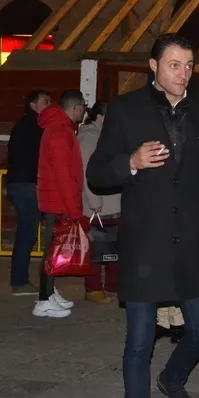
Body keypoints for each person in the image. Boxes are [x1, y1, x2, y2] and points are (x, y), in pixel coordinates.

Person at [87, 33, 199, 398]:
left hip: (190, 242)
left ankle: (173, 378)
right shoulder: (126, 110)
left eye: (189, 65)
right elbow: (97, 173)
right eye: (174, 65)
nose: (183, 73)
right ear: (153, 66)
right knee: (139, 344)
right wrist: (130, 163)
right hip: (145, 246)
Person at [34, 89, 87, 318]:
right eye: (83, 107)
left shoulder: (59, 129)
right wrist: (74, 210)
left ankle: (48, 293)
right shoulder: (60, 132)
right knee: (51, 252)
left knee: (52, 251)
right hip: (57, 202)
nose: (84, 111)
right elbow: (64, 175)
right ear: (75, 108)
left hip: (55, 200)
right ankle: (44, 300)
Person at [6, 89, 51, 295]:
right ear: (33, 105)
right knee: (27, 234)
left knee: (26, 233)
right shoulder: (35, 126)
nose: (48, 105)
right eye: (45, 101)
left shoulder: (25, 125)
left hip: (20, 184)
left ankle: (20, 280)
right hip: (27, 185)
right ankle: (19, 282)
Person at [78, 100, 120, 304]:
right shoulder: (88, 137)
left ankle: (112, 285)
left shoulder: (104, 136)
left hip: (112, 203)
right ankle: (93, 288)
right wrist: (94, 200)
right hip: (99, 205)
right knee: (95, 248)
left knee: (113, 247)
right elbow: (86, 170)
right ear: (102, 117)